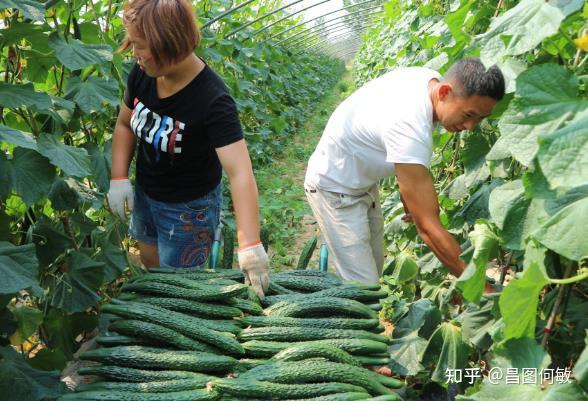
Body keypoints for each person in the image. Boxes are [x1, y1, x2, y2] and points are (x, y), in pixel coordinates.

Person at [106, 0, 269, 298]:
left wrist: (250, 243)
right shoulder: (142, 74)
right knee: (154, 271)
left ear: (169, 44)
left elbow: (239, 171)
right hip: (146, 195)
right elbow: (124, 125)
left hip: (187, 212)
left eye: (139, 45)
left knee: (181, 291)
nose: (134, 53)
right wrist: (119, 178)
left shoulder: (212, 99)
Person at [304, 58, 505, 290]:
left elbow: (400, 157)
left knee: (373, 270)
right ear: (445, 92)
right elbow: (427, 227)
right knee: (362, 289)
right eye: (469, 114)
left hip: (360, 180)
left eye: (480, 118)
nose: (471, 126)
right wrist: (480, 287)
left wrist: (409, 197)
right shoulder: (410, 125)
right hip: (332, 186)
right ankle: (341, 321)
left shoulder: (428, 79)